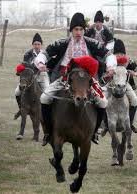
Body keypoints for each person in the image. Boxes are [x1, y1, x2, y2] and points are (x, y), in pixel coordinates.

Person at [34, 12, 117, 146]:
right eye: (76, 29)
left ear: (84, 30)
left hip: (87, 81)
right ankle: (48, 132)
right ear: (71, 30)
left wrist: (111, 66)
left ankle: (94, 132)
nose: (78, 32)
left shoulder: (92, 43)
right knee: (44, 98)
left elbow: (108, 54)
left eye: (81, 29)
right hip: (65, 78)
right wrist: (41, 63)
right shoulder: (62, 42)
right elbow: (45, 53)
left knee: (102, 102)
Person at [111, 38, 137, 133]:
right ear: (114, 53)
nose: (120, 55)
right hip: (111, 84)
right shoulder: (110, 60)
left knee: (134, 100)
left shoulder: (128, 60)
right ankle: (103, 124)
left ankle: (130, 124)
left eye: (122, 53)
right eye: (117, 53)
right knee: (101, 100)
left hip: (125, 85)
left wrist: (135, 73)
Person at [14, 33, 49, 109]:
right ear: (32, 44)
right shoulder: (27, 54)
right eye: (35, 44)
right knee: (17, 92)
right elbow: (25, 66)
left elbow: (47, 66)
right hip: (30, 77)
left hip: (42, 75)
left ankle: (46, 110)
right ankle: (21, 107)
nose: (36, 46)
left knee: (47, 92)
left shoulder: (45, 54)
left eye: (38, 44)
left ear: (41, 45)